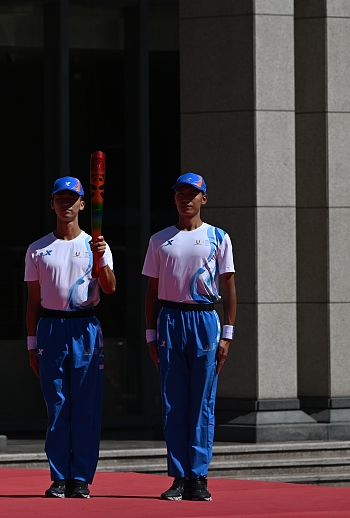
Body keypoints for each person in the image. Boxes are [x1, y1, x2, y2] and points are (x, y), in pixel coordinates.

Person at [142, 173, 237, 502]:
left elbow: (228, 286)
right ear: (175, 199)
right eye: (181, 193)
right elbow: (151, 292)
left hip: (204, 319)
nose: (186, 199)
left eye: (192, 194)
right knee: (174, 403)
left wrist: (228, 334)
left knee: (202, 403)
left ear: (203, 199)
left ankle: (199, 476)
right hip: (170, 320)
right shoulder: (159, 240)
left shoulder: (218, 238)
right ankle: (179, 477)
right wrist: (151, 334)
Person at [25, 177, 115, 499]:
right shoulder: (38, 249)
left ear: (82, 204)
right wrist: (32, 344)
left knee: (86, 406)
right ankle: (59, 476)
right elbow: (33, 301)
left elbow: (109, 287)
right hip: (51, 327)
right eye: (60, 199)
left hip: (85, 327)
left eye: (72, 199)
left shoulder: (96, 245)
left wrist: (101, 258)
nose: (66, 204)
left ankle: (82, 478)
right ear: (52, 204)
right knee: (58, 405)